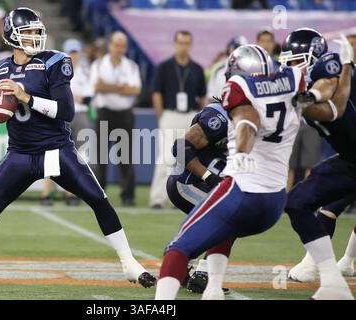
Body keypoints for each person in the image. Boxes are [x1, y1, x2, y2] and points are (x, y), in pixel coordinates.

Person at [0, 7, 155, 295]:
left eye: (38, 32)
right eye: (29, 32)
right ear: (13, 37)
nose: (36, 37)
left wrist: (26, 97)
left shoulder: (54, 62)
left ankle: (129, 262)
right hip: (21, 154)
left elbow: (66, 111)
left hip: (56, 150)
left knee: (97, 197)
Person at [154, 42, 353, 300]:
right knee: (226, 228)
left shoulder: (240, 88)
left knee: (176, 250)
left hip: (242, 189)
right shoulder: (293, 80)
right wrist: (346, 66)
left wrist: (244, 151)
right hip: (274, 200)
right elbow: (334, 109)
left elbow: (248, 120)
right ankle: (213, 287)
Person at [277, 29, 356, 298]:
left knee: (304, 201)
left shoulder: (330, 64)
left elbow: (328, 86)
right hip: (351, 159)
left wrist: (310, 95)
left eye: (296, 60)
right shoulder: (302, 88)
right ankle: (329, 276)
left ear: (313, 57)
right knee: (299, 201)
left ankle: (332, 271)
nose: (290, 66)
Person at [166, 100, 233, 294]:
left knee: (229, 215)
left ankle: (181, 267)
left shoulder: (258, 118)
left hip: (204, 183)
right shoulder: (221, 116)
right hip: (188, 183)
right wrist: (208, 176)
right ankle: (202, 274)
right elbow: (180, 147)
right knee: (229, 215)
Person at [149, 31, 206, 209]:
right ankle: (158, 198)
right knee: (165, 157)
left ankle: (180, 198)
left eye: (187, 43)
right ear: (175, 44)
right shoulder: (164, 67)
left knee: (186, 158)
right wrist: (161, 115)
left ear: (191, 45)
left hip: (190, 117)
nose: (184, 46)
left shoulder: (197, 68)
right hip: (170, 114)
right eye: (181, 43)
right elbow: (156, 92)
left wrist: (199, 119)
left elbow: (202, 96)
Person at [90, 31, 141, 207]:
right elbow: (97, 86)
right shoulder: (98, 64)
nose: (119, 48)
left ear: (125, 48)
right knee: (101, 156)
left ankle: (128, 195)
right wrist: (121, 87)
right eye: (116, 44)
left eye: (122, 45)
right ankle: (99, 194)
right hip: (104, 112)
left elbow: (134, 90)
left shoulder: (131, 66)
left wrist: (109, 86)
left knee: (125, 157)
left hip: (124, 113)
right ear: (110, 45)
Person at [41, 38, 93, 206]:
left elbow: (87, 97)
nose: (73, 55)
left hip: (80, 114)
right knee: (53, 153)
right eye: (70, 52)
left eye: (75, 52)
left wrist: (70, 97)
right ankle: (47, 193)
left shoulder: (84, 72)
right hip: (61, 114)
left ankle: (70, 194)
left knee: (79, 156)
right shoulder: (55, 69)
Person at [206, 35, 247, 104]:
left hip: (242, 112)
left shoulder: (251, 71)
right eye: (236, 48)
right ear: (230, 49)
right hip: (220, 111)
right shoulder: (218, 69)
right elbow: (211, 96)